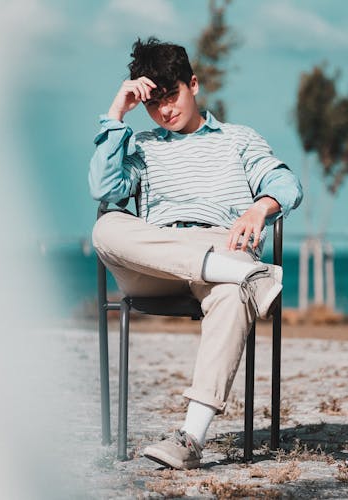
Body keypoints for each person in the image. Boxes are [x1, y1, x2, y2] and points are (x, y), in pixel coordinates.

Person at [88, 37, 303, 470]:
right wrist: (116, 114)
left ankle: (190, 437)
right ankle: (248, 276)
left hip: (221, 247)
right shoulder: (143, 146)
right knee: (106, 226)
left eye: (173, 96)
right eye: (154, 103)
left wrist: (260, 208)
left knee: (229, 294)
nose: (165, 110)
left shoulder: (239, 139)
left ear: (194, 85)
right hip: (159, 259)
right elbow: (104, 189)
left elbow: (287, 186)